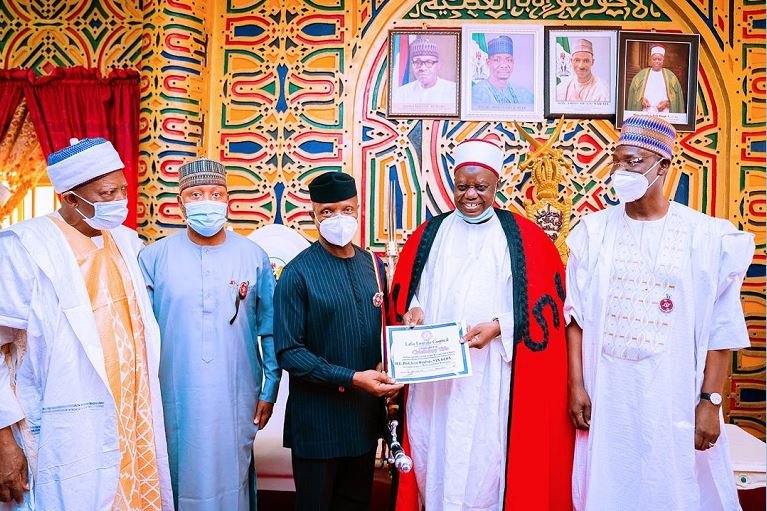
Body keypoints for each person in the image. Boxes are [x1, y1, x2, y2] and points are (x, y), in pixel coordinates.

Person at [565, 115, 753, 510]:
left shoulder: (708, 237)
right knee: (609, 487)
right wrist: (576, 385)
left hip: (675, 397)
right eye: (617, 161)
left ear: (663, 166)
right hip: (610, 395)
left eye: (634, 161)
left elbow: (721, 330)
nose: (622, 171)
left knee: (674, 488)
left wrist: (711, 402)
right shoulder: (593, 232)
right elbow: (576, 318)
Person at [389, 135, 573, 510]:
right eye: (462, 186)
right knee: (434, 454)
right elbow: (409, 290)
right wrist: (415, 310)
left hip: (490, 376)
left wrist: (500, 326)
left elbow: (546, 307)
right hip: (435, 379)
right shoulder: (430, 235)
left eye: (480, 187)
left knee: (483, 464)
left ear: (497, 187)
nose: (470, 195)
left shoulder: (524, 238)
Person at [0, 138, 172, 510]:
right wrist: (3, 441)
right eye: (107, 193)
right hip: (61, 424)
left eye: (122, 190)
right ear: (70, 198)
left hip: (131, 418)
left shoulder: (127, 242)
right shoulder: (23, 247)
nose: (118, 202)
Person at [138, 157, 280, 510]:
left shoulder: (254, 256)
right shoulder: (152, 258)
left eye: (216, 193)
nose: (208, 200)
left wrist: (270, 388)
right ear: (180, 202)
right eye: (197, 193)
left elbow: (271, 329)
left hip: (236, 393)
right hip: (172, 393)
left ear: (228, 200)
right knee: (173, 474)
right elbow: (137, 335)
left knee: (231, 476)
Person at [273, 172, 403, 510]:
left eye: (346, 209)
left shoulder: (372, 265)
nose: (338, 218)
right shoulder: (297, 273)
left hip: (361, 422)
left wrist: (386, 362)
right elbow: (289, 352)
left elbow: (381, 329)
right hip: (317, 424)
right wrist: (352, 378)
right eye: (328, 211)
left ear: (358, 210)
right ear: (313, 214)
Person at [392, 37, 456, 106]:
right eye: (417, 62)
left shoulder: (453, 91)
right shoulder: (402, 93)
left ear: (438, 65)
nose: (422, 68)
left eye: (429, 62)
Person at [472, 35, 534, 106]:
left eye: (508, 60)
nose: (504, 65)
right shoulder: (477, 92)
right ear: (488, 63)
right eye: (497, 60)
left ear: (513, 62)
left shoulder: (523, 93)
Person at [626, 45, 685, 113]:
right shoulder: (640, 76)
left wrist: (667, 103)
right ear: (651, 60)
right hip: (645, 112)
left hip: (664, 113)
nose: (657, 61)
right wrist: (641, 100)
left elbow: (677, 98)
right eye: (654, 59)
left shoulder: (671, 76)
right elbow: (634, 94)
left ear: (663, 60)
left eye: (659, 59)